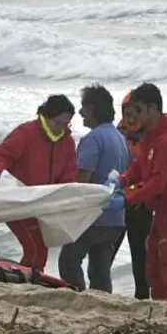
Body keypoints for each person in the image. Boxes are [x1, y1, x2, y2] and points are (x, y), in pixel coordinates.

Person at [107, 83, 167, 303]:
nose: (135, 116)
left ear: (152, 109)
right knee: (152, 267)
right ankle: (160, 308)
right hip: (161, 210)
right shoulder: (151, 137)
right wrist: (124, 178)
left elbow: (156, 183)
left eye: (139, 110)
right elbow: (140, 167)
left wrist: (126, 198)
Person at [0, 95, 79, 271]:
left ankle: (16, 272)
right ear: (47, 116)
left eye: (66, 125)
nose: (62, 129)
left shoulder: (67, 142)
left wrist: (70, 193)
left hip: (42, 205)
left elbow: (69, 174)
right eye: (58, 123)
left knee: (38, 249)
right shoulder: (26, 132)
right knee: (37, 248)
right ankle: (30, 280)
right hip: (17, 202)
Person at [58, 84, 129, 293]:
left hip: (93, 217)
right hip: (115, 217)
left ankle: (77, 298)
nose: (80, 112)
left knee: (69, 263)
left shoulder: (93, 138)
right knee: (100, 270)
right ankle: (102, 303)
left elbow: (84, 181)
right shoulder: (119, 138)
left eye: (83, 108)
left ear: (93, 109)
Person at [111, 92, 153, 299]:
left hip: (141, 206)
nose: (131, 118)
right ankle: (99, 295)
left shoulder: (155, 135)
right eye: (127, 113)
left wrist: (136, 195)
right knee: (105, 256)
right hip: (117, 202)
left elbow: (158, 175)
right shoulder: (117, 132)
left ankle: (142, 300)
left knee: (141, 260)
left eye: (135, 112)